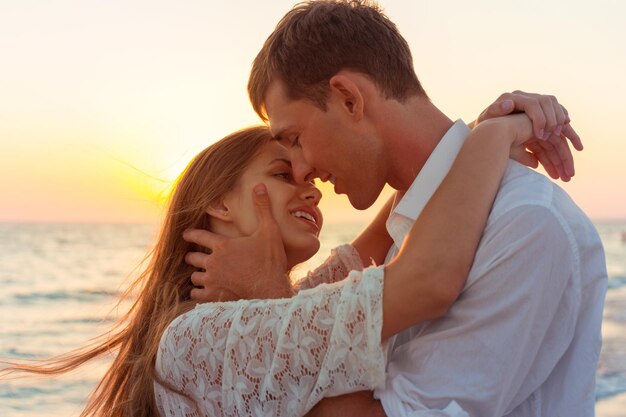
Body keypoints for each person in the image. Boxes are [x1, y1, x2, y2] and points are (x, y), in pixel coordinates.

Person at [184, 1, 608, 416]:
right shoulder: (404, 230)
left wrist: (488, 137)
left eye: (294, 139)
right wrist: (485, 135)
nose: (301, 171)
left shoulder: (524, 224)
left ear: (349, 99)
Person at [2, 113, 564, 417]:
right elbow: (425, 277)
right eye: (282, 174)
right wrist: (496, 136)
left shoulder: (290, 302)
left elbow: (398, 220)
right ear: (220, 204)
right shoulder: (190, 338)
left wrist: (471, 134)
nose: (313, 192)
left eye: (313, 181)